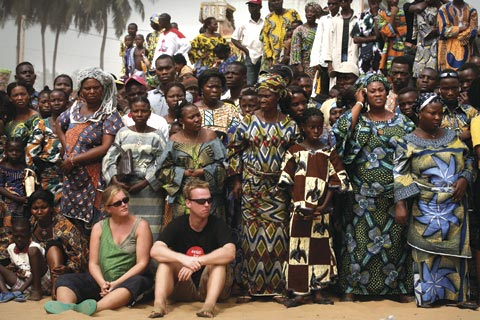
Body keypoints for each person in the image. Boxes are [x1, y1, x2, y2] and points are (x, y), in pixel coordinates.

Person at [331, 73, 415, 301]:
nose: (377, 94)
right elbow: (337, 134)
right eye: (372, 91)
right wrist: (358, 104)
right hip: (360, 197)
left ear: (387, 92)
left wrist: (401, 200)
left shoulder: (403, 123)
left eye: (381, 90)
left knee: (394, 244)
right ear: (364, 93)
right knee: (357, 242)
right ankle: (352, 289)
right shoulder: (359, 119)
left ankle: (395, 289)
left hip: (392, 195)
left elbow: (408, 164)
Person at [394, 92, 476, 309]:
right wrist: (401, 204)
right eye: (432, 113)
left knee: (456, 253)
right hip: (425, 205)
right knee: (426, 253)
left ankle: (457, 297)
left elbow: (468, 158)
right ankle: (428, 297)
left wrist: (465, 178)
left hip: (454, 204)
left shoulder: (452, 136)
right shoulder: (408, 142)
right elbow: (400, 174)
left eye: (440, 114)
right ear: (420, 114)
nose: (438, 118)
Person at [227, 73, 298, 299]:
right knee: (251, 236)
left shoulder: (290, 124)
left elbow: (296, 155)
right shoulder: (244, 122)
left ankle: (276, 287)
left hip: (279, 188)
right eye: (260, 95)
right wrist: (237, 180)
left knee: (278, 235)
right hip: (252, 185)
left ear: (277, 96)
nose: (261, 99)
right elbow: (233, 151)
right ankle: (251, 287)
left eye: (267, 95)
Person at [44, 185, 153, 316]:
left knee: (137, 283)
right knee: (65, 280)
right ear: (108, 208)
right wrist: (103, 284)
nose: (124, 205)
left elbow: (142, 263)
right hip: (103, 281)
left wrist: (115, 283)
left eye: (126, 200)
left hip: (127, 280)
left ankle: (95, 308)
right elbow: (93, 263)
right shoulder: (99, 227)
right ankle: (68, 309)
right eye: (118, 203)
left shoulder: (141, 226)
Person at [278, 108, 348, 307]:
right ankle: (300, 292)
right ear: (303, 128)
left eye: (319, 127)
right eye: (312, 127)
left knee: (321, 250)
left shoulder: (328, 152)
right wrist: (298, 204)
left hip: (322, 211)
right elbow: (286, 181)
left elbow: (338, 181)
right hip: (300, 211)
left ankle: (319, 291)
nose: (316, 131)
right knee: (298, 249)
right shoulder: (294, 151)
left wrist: (324, 206)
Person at [149, 179, 235, 318]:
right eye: (201, 201)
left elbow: (230, 252)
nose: (207, 205)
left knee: (218, 263)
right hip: (183, 285)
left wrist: (199, 261)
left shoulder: (218, 224)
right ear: (188, 203)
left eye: (209, 200)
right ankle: (159, 305)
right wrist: (184, 259)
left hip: (209, 286)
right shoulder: (178, 224)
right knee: (165, 262)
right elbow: (155, 251)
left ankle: (209, 306)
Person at [57, 67, 123, 234]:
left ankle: (91, 257)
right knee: (70, 224)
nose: (92, 91)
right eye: (87, 88)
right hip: (71, 177)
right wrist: (67, 150)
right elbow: (58, 124)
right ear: (81, 91)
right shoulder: (74, 109)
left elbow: (105, 147)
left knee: (93, 225)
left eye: (96, 88)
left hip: (93, 177)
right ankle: (74, 257)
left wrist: (73, 160)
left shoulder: (109, 114)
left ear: (103, 89)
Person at [103, 96, 166, 240]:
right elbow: (110, 158)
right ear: (130, 113)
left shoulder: (157, 136)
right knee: (127, 228)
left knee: (151, 229)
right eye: (135, 111)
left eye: (143, 111)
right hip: (125, 187)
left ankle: (150, 261)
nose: (139, 114)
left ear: (149, 113)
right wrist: (114, 180)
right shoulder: (123, 133)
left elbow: (163, 162)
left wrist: (146, 182)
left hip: (149, 190)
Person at [157, 100, 227, 223]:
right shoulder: (174, 140)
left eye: (198, 115)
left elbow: (224, 164)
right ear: (181, 121)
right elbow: (162, 169)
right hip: (184, 199)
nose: (197, 119)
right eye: (191, 117)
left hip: (210, 198)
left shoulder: (210, 136)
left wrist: (204, 171)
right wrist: (183, 173)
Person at [28, 189, 88, 299]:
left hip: (63, 270)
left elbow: (79, 257)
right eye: (35, 208)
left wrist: (67, 268)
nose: (39, 212)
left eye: (44, 208)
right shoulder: (32, 222)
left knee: (53, 247)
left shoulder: (65, 227)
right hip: (40, 270)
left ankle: (55, 289)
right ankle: (37, 289)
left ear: (51, 208)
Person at [26, 89, 67, 200]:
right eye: (53, 100)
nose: (57, 103)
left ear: (67, 102)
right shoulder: (42, 124)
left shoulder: (73, 124)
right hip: (47, 175)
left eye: (60, 100)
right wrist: (35, 175)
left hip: (70, 174)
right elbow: (31, 152)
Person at [0, 217, 50, 302]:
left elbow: (39, 271)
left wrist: (21, 289)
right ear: (12, 235)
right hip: (23, 283)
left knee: (32, 251)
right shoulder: (10, 248)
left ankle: (36, 292)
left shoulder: (36, 248)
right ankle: (6, 293)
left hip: (40, 282)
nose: (19, 239)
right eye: (16, 236)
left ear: (29, 236)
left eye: (22, 237)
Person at [195, 69, 240, 141]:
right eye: (210, 87)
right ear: (201, 88)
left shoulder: (230, 109)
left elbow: (236, 133)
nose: (215, 90)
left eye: (218, 87)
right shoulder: (193, 109)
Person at [438, 70, 478, 146]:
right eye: (446, 89)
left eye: (454, 88)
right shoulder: (433, 112)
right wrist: (459, 137)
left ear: (459, 88)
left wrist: (471, 133)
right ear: (439, 89)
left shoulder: (471, 111)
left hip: (468, 156)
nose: (450, 93)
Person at [310, 0, 341, 95]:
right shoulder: (323, 20)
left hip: (338, 58)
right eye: (329, 4)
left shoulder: (342, 18)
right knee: (324, 88)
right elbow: (318, 40)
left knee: (337, 87)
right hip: (324, 61)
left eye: (334, 4)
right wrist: (316, 61)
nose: (331, 6)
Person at [260, 0, 301, 71]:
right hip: (274, 56)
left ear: (282, 1)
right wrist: (269, 56)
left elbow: (300, 29)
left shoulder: (292, 13)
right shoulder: (269, 17)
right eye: (273, 1)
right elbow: (265, 38)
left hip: (291, 54)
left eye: (278, 0)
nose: (276, 3)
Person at [437, 0, 478, 71]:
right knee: (447, 73)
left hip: (465, 46)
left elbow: (473, 30)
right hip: (447, 46)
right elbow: (443, 31)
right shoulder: (443, 9)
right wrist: (461, 28)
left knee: (464, 73)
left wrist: (460, 35)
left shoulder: (471, 10)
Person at [323, 0, 359, 81]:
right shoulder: (334, 20)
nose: (343, 1)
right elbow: (328, 42)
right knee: (337, 83)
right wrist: (329, 64)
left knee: (351, 80)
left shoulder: (358, 18)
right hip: (336, 58)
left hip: (352, 56)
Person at [231, 0, 264, 86]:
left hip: (264, 56)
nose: (251, 8)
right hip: (250, 56)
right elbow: (234, 39)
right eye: (250, 6)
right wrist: (246, 50)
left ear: (260, 7)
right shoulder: (244, 24)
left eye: (254, 6)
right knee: (250, 82)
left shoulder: (265, 23)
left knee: (263, 81)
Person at [290, 2, 323, 80]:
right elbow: (295, 51)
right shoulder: (299, 30)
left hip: (318, 65)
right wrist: (300, 68)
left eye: (312, 12)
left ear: (317, 14)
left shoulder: (320, 28)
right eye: (307, 12)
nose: (309, 14)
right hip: (304, 65)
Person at [0, 138, 27, 226]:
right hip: (6, 206)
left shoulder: (24, 168)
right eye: (11, 151)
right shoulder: (2, 168)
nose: (14, 153)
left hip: (21, 207)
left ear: (22, 152)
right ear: (6, 151)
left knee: (19, 226)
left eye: (17, 151)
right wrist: (18, 199)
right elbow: (0, 188)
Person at [351, 0, 383, 74]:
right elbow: (355, 39)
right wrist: (374, 38)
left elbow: (381, 35)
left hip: (380, 58)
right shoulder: (362, 16)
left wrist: (376, 15)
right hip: (365, 59)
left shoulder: (385, 15)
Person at [412, 0, 441, 78]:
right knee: (421, 77)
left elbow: (448, 27)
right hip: (423, 49)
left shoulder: (442, 8)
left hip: (439, 49)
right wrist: (439, 29)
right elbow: (425, 31)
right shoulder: (420, 9)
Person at [378, 0, 407, 74]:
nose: (394, 1)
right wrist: (393, 15)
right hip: (389, 53)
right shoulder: (382, 15)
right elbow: (389, 33)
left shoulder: (404, 13)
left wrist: (391, 26)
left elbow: (405, 33)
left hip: (404, 51)